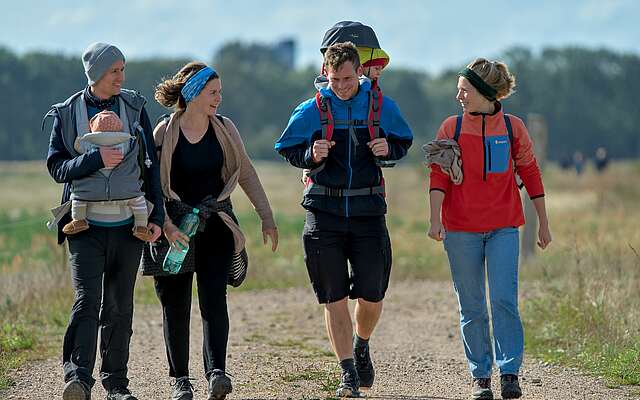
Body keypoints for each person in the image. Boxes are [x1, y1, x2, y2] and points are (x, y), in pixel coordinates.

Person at [275, 42, 412, 398]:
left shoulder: (381, 106)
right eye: (334, 79)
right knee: (333, 297)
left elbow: (404, 140)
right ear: (326, 73)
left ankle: (361, 343)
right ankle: (348, 373)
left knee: (372, 295)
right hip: (324, 214)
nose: (341, 86)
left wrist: (388, 149)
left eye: (348, 78)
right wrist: (310, 154)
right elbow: (286, 148)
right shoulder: (311, 109)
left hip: (368, 214)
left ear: (360, 72)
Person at [148, 61, 278, 400]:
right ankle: (180, 380)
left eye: (219, 92)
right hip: (175, 229)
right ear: (192, 94)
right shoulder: (164, 131)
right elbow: (152, 185)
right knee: (175, 304)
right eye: (213, 92)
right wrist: (163, 223)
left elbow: (245, 172)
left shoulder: (224, 127)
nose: (219, 99)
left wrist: (266, 216)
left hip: (216, 223)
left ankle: (217, 373)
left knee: (213, 300)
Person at [426, 58, 552, 400]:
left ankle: (509, 373)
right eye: (458, 90)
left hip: (504, 228)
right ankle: (480, 377)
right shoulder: (450, 128)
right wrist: (435, 218)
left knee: (503, 300)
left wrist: (543, 221)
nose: (459, 96)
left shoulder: (514, 128)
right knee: (472, 307)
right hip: (460, 231)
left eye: (464, 90)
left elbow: (531, 172)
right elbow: (438, 176)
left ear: (483, 93)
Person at [45, 42, 164, 400]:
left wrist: (155, 214)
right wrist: (94, 160)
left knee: (119, 306)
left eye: (123, 69)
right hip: (84, 228)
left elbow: (150, 166)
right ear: (96, 74)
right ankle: (78, 379)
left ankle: (117, 385)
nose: (122, 77)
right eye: (115, 71)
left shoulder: (134, 106)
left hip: (129, 227)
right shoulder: (67, 113)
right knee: (87, 301)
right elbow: (56, 168)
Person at [64, 110, 152, 241]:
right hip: (127, 190)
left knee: (78, 196)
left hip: (90, 191)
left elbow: (78, 150)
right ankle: (141, 226)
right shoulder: (126, 146)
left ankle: (79, 220)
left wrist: (79, 143)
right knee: (138, 200)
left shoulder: (89, 147)